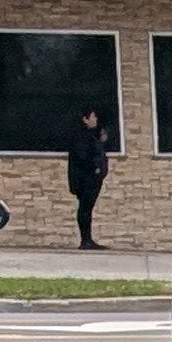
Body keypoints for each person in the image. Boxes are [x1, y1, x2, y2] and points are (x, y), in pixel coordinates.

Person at [62, 98, 113, 250]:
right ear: (85, 119)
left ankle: (88, 239)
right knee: (84, 208)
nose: (95, 119)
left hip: (93, 179)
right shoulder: (81, 136)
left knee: (87, 209)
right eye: (93, 116)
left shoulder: (92, 136)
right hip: (85, 180)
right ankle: (85, 240)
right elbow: (82, 157)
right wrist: (95, 169)